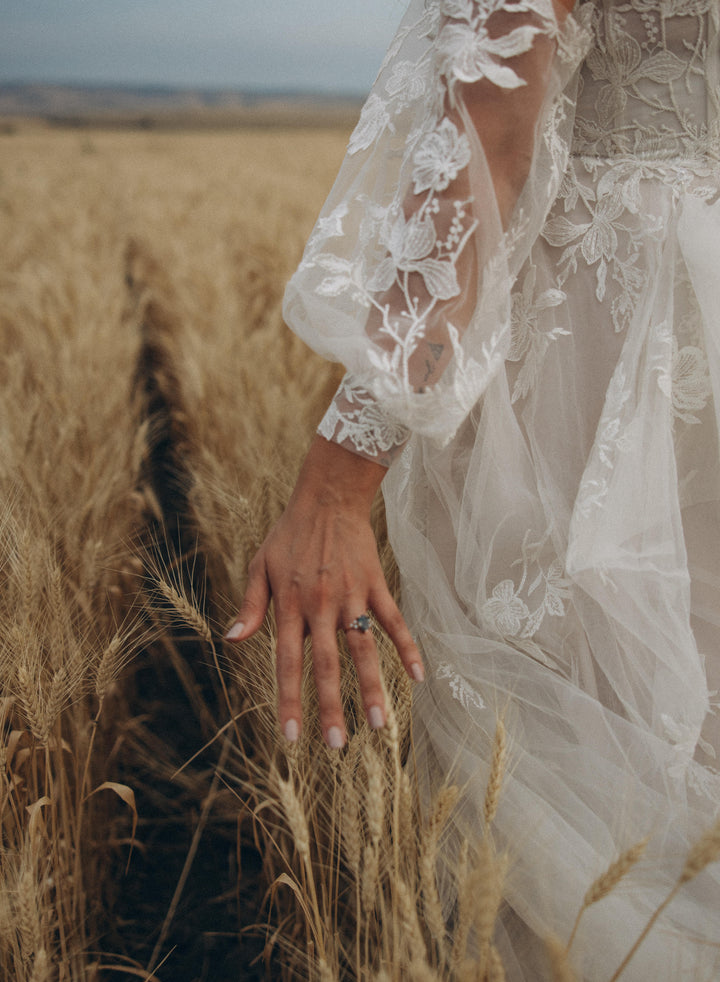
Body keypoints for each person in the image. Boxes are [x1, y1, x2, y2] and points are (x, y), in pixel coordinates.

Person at [226, 1, 720, 977]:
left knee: (572, 800)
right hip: (693, 326)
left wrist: (335, 486)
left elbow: (491, 146)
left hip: (598, 363)